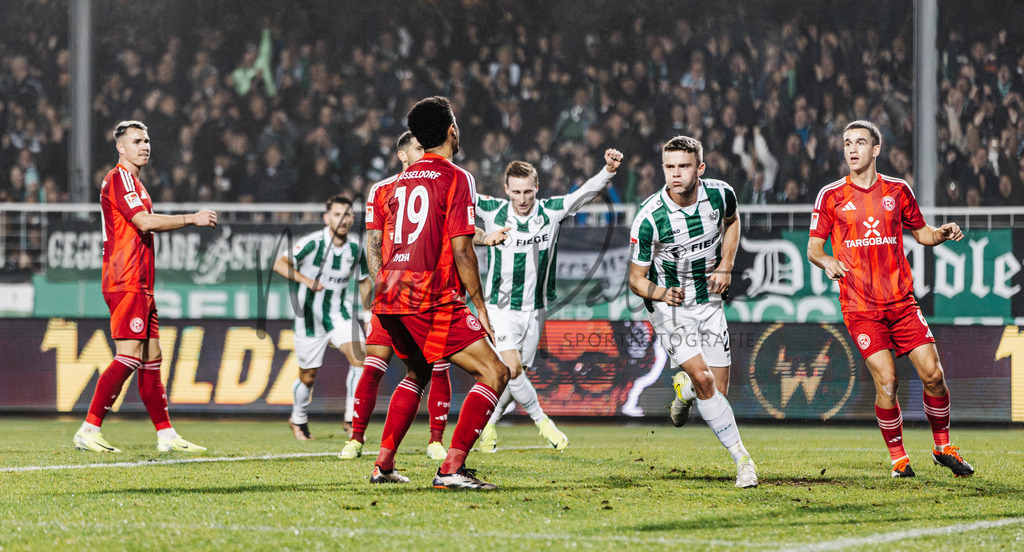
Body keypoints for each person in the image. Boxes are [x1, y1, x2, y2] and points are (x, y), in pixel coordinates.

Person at [807, 120, 974, 478]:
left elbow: (922, 233)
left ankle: (943, 448)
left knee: (934, 375)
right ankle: (899, 460)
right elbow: (813, 249)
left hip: (901, 303)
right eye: (847, 143)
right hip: (861, 308)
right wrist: (828, 261)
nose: (852, 149)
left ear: (876, 149)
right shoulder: (831, 195)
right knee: (887, 381)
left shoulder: (897, 190)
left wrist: (941, 233)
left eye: (860, 142)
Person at [368, 96, 510, 490]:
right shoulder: (457, 177)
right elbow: (463, 248)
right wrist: (479, 305)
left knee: (417, 371)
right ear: (452, 131)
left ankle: (383, 464)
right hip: (426, 295)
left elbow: (385, 240)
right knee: (496, 371)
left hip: (389, 292)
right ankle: (451, 468)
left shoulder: (400, 180)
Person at [74, 120, 217, 453]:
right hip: (125, 279)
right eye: (137, 141)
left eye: (147, 140)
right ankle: (89, 427)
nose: (145, 146)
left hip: (141, 281)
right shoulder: (119, 178)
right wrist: (190, 218)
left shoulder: (138, 184)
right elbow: (143, 222)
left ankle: (166, 435)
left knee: (152, 356)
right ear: (120, 147)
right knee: (130, 356)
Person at [472, 148, 623, 453]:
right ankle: (543, 422)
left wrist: (607, 171)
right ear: (506, 190)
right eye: (516, 192)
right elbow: (456, 196)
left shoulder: (551, 211)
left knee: (515, 375)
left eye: (528, 191)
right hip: (501, 308)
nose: (522, 198)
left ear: (536, 188)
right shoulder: (491, 210)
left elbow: (584, 194)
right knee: (511, 369)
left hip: (537, 309)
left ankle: (488, 425)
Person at [628, 135, 758, 489]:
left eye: (683, 166)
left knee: (715, 391)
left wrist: (727, 266)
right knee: (705, 380)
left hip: (710, 302)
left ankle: (684, 392)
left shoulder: (721, 194)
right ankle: (743, 460)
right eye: (669, 167)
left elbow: (733, 221)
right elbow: (635, 280)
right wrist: (661, 292)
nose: (675, 174)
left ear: (699, 168)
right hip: (671, 308)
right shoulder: (649, 217)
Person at [340, 131, 451, 461]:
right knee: (374, 366)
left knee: (437, 365)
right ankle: (356, 439)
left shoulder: (440, 187)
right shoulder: (383, 190)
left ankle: (435, 440)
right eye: (419, 148)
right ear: (403, 156)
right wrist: (381, 286)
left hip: (428, 293)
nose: (425, 152)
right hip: (391, 294)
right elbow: (372, 245)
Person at [272, 194, 369, 441]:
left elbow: (364, 281)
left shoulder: (356, 248)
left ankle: (351, 419)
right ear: (327, 218)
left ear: (353, 218)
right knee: (308, 376)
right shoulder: (313, 243)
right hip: (309, 318)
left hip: (339, 313)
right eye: (337, 214)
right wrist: (306, 280)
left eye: (347, 214)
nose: (343, 220)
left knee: (360, 357)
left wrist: (369, 314)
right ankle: (298, 418)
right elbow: (279, 263)